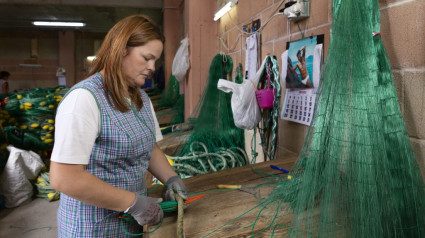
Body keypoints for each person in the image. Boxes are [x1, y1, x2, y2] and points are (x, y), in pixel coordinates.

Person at [49, 15, 187, 237]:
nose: (152, 67)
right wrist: (134, 203)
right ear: (121, 49)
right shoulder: (84, 99)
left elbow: (148, 147)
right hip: (93, 227)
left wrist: (171, 178)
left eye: (156, 61)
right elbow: (65, 178)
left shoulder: (140, 98)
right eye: (146, 58)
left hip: (132, 223)